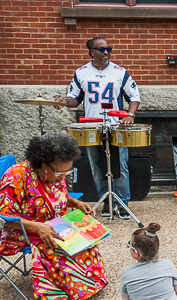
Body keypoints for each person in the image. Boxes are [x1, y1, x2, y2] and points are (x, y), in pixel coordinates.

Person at [0, 131, 108, 300]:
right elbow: (1, 217)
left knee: (83, 241)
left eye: (67, 171)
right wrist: (37, 227)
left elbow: (56, 196)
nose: (63, 176)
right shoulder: (16, 176)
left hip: (48, 223)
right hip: (15, 229)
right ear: (44, 165)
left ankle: (85, 284)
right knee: (55, 245)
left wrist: (76, 203)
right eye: (60, 172)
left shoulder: (51, 175)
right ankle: (61, 290)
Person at [55, 36, 140, 219]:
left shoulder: (120, 72)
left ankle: (123, 203)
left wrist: (130, 115)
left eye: (109, 49)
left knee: (120, 165)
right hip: (92, 126)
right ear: (91, 52)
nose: (106, 52)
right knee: (97, 166)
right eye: (101, 49)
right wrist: (64, 101)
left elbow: (134, 96)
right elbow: (74, 99)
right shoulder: (81, 73)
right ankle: (107, 203)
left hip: (115, 127)